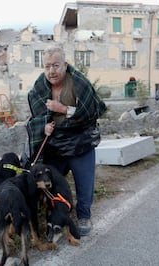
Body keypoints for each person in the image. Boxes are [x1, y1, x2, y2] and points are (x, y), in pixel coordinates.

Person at [26, 45, 107, 236]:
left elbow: (89, 112)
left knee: (84, 183)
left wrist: (62, 109)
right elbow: (36, 118)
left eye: (56, 65)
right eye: (47, 66)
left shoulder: (79, 83)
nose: (52, 71)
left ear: (65, 65)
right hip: (55, 145)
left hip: (81, 143)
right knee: (51, 183)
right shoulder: (39, 87)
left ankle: (84, 216)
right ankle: (55, 216)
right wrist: (43, 126)